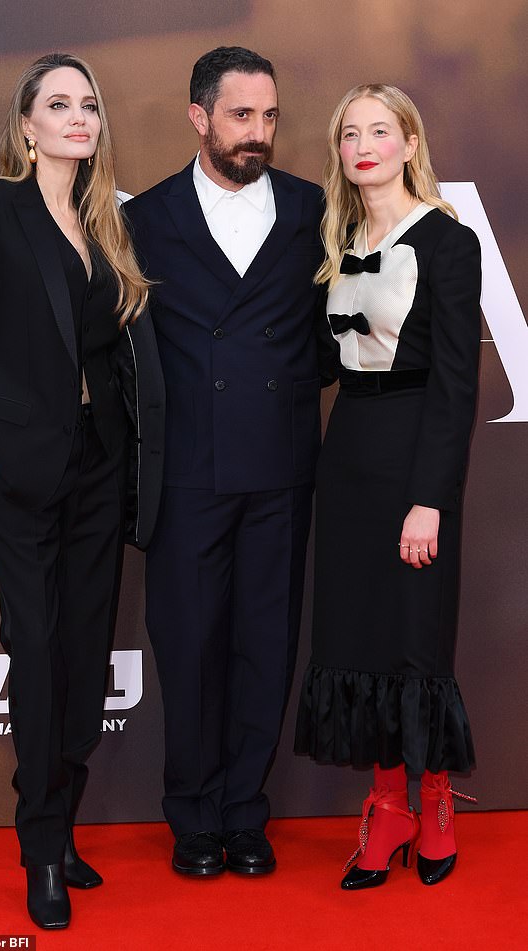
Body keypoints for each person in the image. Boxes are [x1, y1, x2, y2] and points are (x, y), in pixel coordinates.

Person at [0, 52, 164, 928]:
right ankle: (39, 853)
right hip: (22, 472)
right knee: (34, 655)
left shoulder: (108, 224)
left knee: (82, 656)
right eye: (58, 104)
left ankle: (64, 830)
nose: (78, 117)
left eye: (89, 105)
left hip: (99, 470)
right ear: (25, 124)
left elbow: (114, 357)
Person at [124, 46, 333, 877]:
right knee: (189, 645)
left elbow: (327, 337)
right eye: (242, 116)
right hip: (188, 473)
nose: (259, 133)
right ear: (198, 116)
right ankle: (193, 817)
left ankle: (246, 813)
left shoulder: (314, 207)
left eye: (270, 116)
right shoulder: (146, 217)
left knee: (265, 642)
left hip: (281, 465)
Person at [294, 83, 481, 888]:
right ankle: (387, 807)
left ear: (409, 141)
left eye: (380, 130)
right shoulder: (333, 236)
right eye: (349, 134)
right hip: (348, 456)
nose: (363, 145)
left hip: (414, 454)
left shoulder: (448, 240)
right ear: (338, 151)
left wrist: (430, 496)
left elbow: (456, 384)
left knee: (414, 636)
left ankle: (434, 800)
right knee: (355, 633)